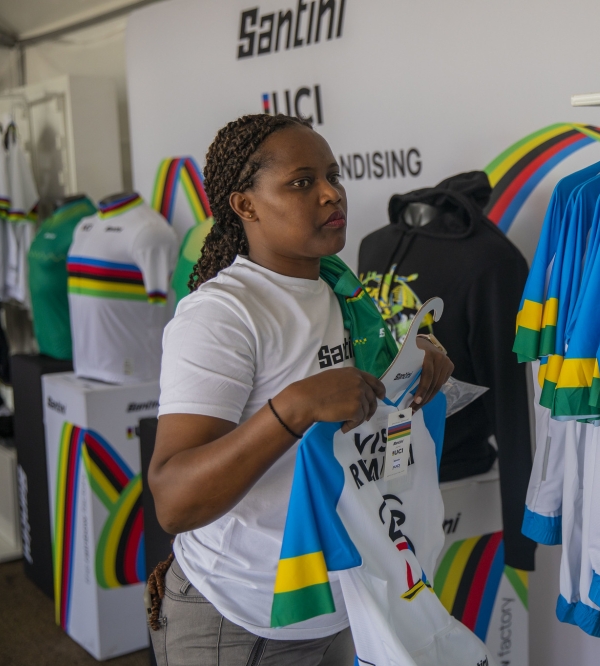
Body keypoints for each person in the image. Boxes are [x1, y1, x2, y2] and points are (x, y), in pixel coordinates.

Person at [147, 114, 454, 666]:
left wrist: (418, 359)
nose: (331, 192)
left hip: (342, 601)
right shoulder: (222, 315)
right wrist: (292, 408)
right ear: (246, 205)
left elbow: (361, 401)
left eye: (332, 175)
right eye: (301, 182)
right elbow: (173, 499)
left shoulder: (341, 289)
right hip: (240, 618)